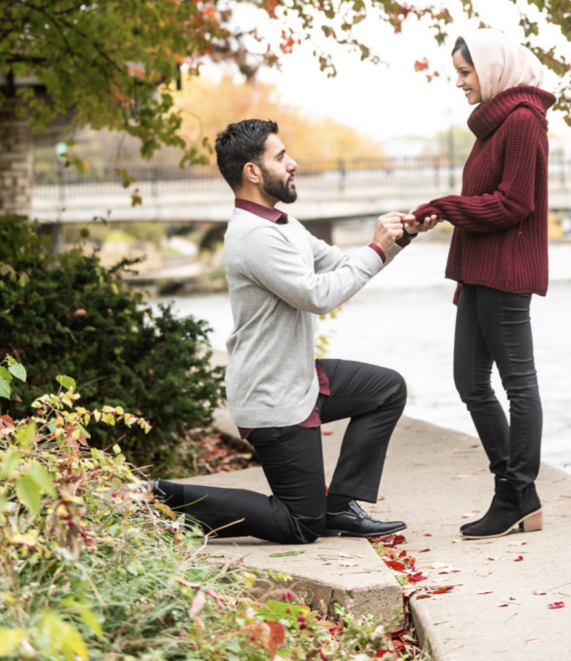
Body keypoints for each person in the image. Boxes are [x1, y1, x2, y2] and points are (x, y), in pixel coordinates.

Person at [154, 118, 437, 543]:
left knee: (386, 389)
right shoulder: (252, 236)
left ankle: (341, 505)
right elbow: (316, 296)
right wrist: (377, 247)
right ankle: (164, 498)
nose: (293, 163)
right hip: (271, 395)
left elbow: (341, 266)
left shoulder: (282, 225)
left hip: (298, 377)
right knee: (302, 524)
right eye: (281, 156)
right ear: (252, 171)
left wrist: (398, 239)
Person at [409, 31, 555, 540]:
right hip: (478, 270)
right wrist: (443, 212)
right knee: (469, 381)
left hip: (506, 270)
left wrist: (444, 206)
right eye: (458, 72)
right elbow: (487, 201)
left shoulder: (522, 121)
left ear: (492, 69)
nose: (459, 82)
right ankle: (518, 495)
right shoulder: (493, 125)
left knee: (519, 384)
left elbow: (514, 204)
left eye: (466, 72)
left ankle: (514, 493)